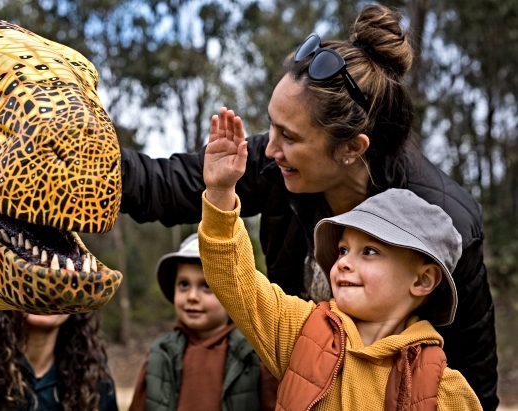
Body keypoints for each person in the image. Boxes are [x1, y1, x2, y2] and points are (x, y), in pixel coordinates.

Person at [119, 4, 498, 409]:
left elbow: (474, 378)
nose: (270, 148)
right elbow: (166, 185)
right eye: (272, 126)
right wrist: (83, 159)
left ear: (352, 148)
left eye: (290, 136)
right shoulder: (297, 327)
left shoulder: (444, 221)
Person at [199, 116, 482, 408]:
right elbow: (236, 282)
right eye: (343, 250)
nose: (344, 263)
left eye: (370, 251)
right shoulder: (301, 331)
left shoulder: (444, 390)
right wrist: (220, 193)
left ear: (422, 280)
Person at [128, 233, 278, 411]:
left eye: (207, 286)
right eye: (184, 284)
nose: (192, 297)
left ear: (232, 293)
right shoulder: (160, 355)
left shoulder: (254, 354)